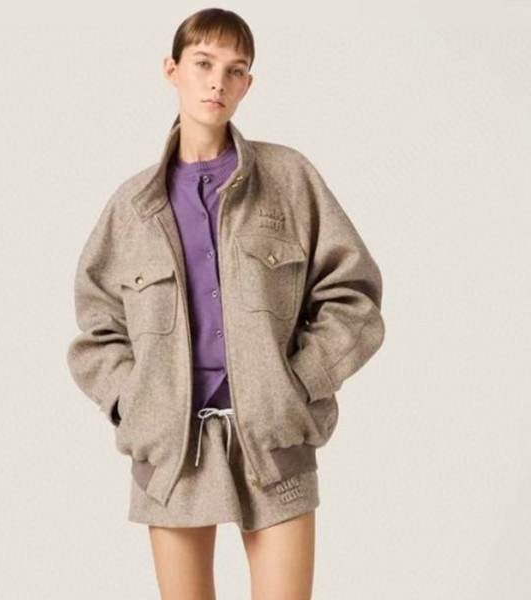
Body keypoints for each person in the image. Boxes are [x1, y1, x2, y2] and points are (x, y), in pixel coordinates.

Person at [67, 8, 385, 599]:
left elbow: (353, 295)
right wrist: (134, 405)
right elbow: (97, 325)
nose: (217, 82)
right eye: (204, 64)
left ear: (247, 84)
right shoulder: (132, 206)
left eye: (235, 70)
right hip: (172, 454)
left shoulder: (289, 179)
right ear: (172, 70)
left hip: (274, 441)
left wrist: (299, 383)